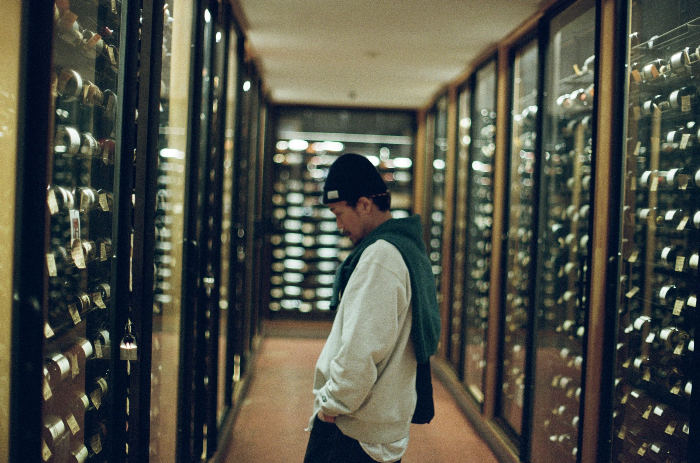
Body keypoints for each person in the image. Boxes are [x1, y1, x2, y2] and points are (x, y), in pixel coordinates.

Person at [303, 153, 441, 463]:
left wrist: (330, 407)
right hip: (380, 427)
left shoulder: (381, 257)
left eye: (339, 213)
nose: (339, 225)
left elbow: (360, 351)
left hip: (353, 430)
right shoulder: (407, 246)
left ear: (365, 204)